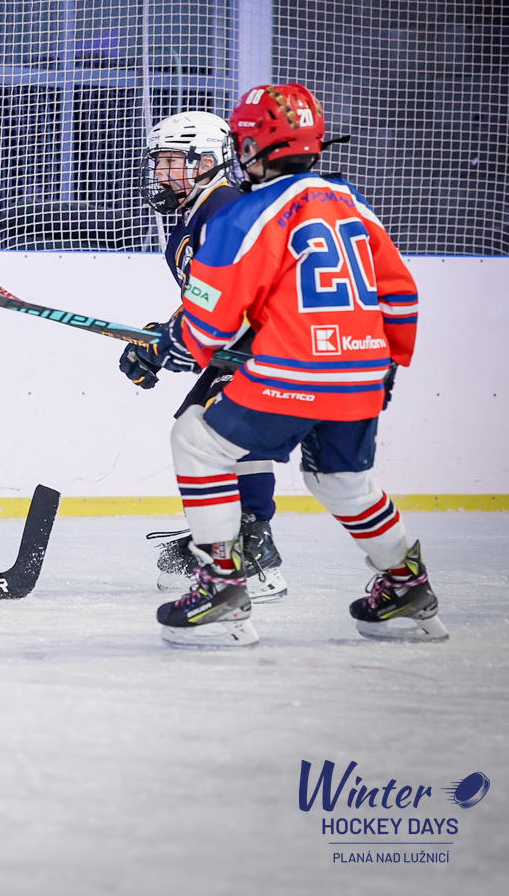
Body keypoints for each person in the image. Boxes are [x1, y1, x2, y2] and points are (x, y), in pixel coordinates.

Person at [142, 83, 437, 647]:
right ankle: (406, 587)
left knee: (196, 441)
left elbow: (211, 319)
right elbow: (401, 294)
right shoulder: (350, 200)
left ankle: (222, 586)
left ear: (249, 148)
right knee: (341, 480)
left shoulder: (248, 212)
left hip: (293, 368)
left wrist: (170, 345)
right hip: (363, 370)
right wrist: (387, 365)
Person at [118, 111, 286, 601]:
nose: (161, 173)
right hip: (246, 344)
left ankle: (252, 547)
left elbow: (237, 290)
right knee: (199, 426)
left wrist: (173, 337)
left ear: (208, 162)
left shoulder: (227, 208)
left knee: (218, 428)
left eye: (173, 161)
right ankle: (231, 535)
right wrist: (159, 339)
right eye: (159, 162)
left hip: (270, 341)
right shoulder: (193, 219)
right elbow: (204, 295)